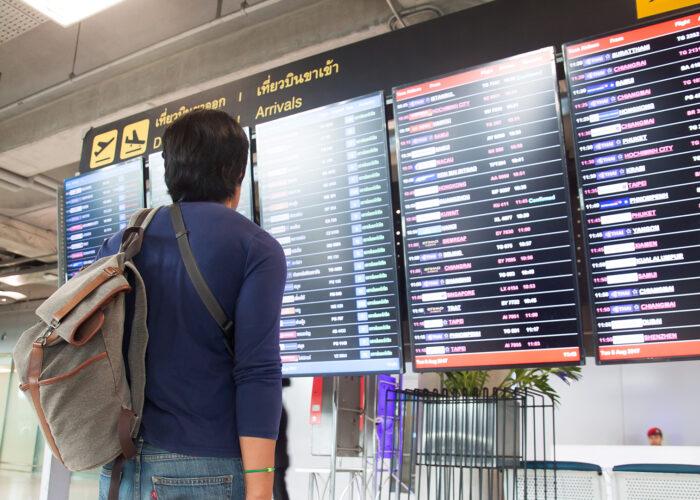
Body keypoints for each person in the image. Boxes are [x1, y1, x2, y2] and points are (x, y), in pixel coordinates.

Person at [97, 109, 287, 500]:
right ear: (237, 172)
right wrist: (261, 490)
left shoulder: (118, 245)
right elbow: (256, 373)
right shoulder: (255, 248)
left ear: (171, 174)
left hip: (119, 465)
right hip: (206, 469)